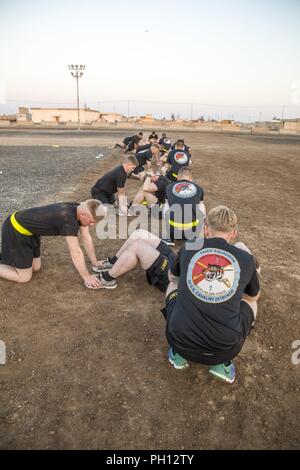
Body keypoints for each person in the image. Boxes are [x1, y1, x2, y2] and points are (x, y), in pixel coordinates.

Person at [162, 206, 260, 384]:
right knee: (252, 303)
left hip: (179, 338)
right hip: (223, 347)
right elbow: (252, 297)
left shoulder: (190, 246)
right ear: (234, 233)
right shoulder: (246, 259)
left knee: (172, 284)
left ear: (206, 229)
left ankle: (178, 355)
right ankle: (221, 365)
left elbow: (172, 277)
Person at [0, 199, 107, 288]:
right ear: (83, 214)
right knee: (24, 277)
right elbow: (76, 252)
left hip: (31, 232)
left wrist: (95, 262)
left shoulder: (80, 208)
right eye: (92, 221)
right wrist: (86, 277)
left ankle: (8, 258)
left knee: (36, 267)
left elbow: (86, 238)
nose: (92, 225)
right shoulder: (68, 219)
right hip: (15, 230)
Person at [93, 229, 176, 292]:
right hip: (176, 260)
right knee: (139, 234)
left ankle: (106, 279)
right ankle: (113, 263)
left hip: (174, 279)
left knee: (137, 247)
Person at [163, 167, 205, 244]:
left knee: (166, 204)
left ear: (178, 177)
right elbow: (202, 213)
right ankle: (197, 237)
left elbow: (166, 208)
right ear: (191, 178)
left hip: (173, 231)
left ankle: (168, 238)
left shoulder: (169, 187)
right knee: (201, 206)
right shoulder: (199, 189)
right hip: (191, 232)